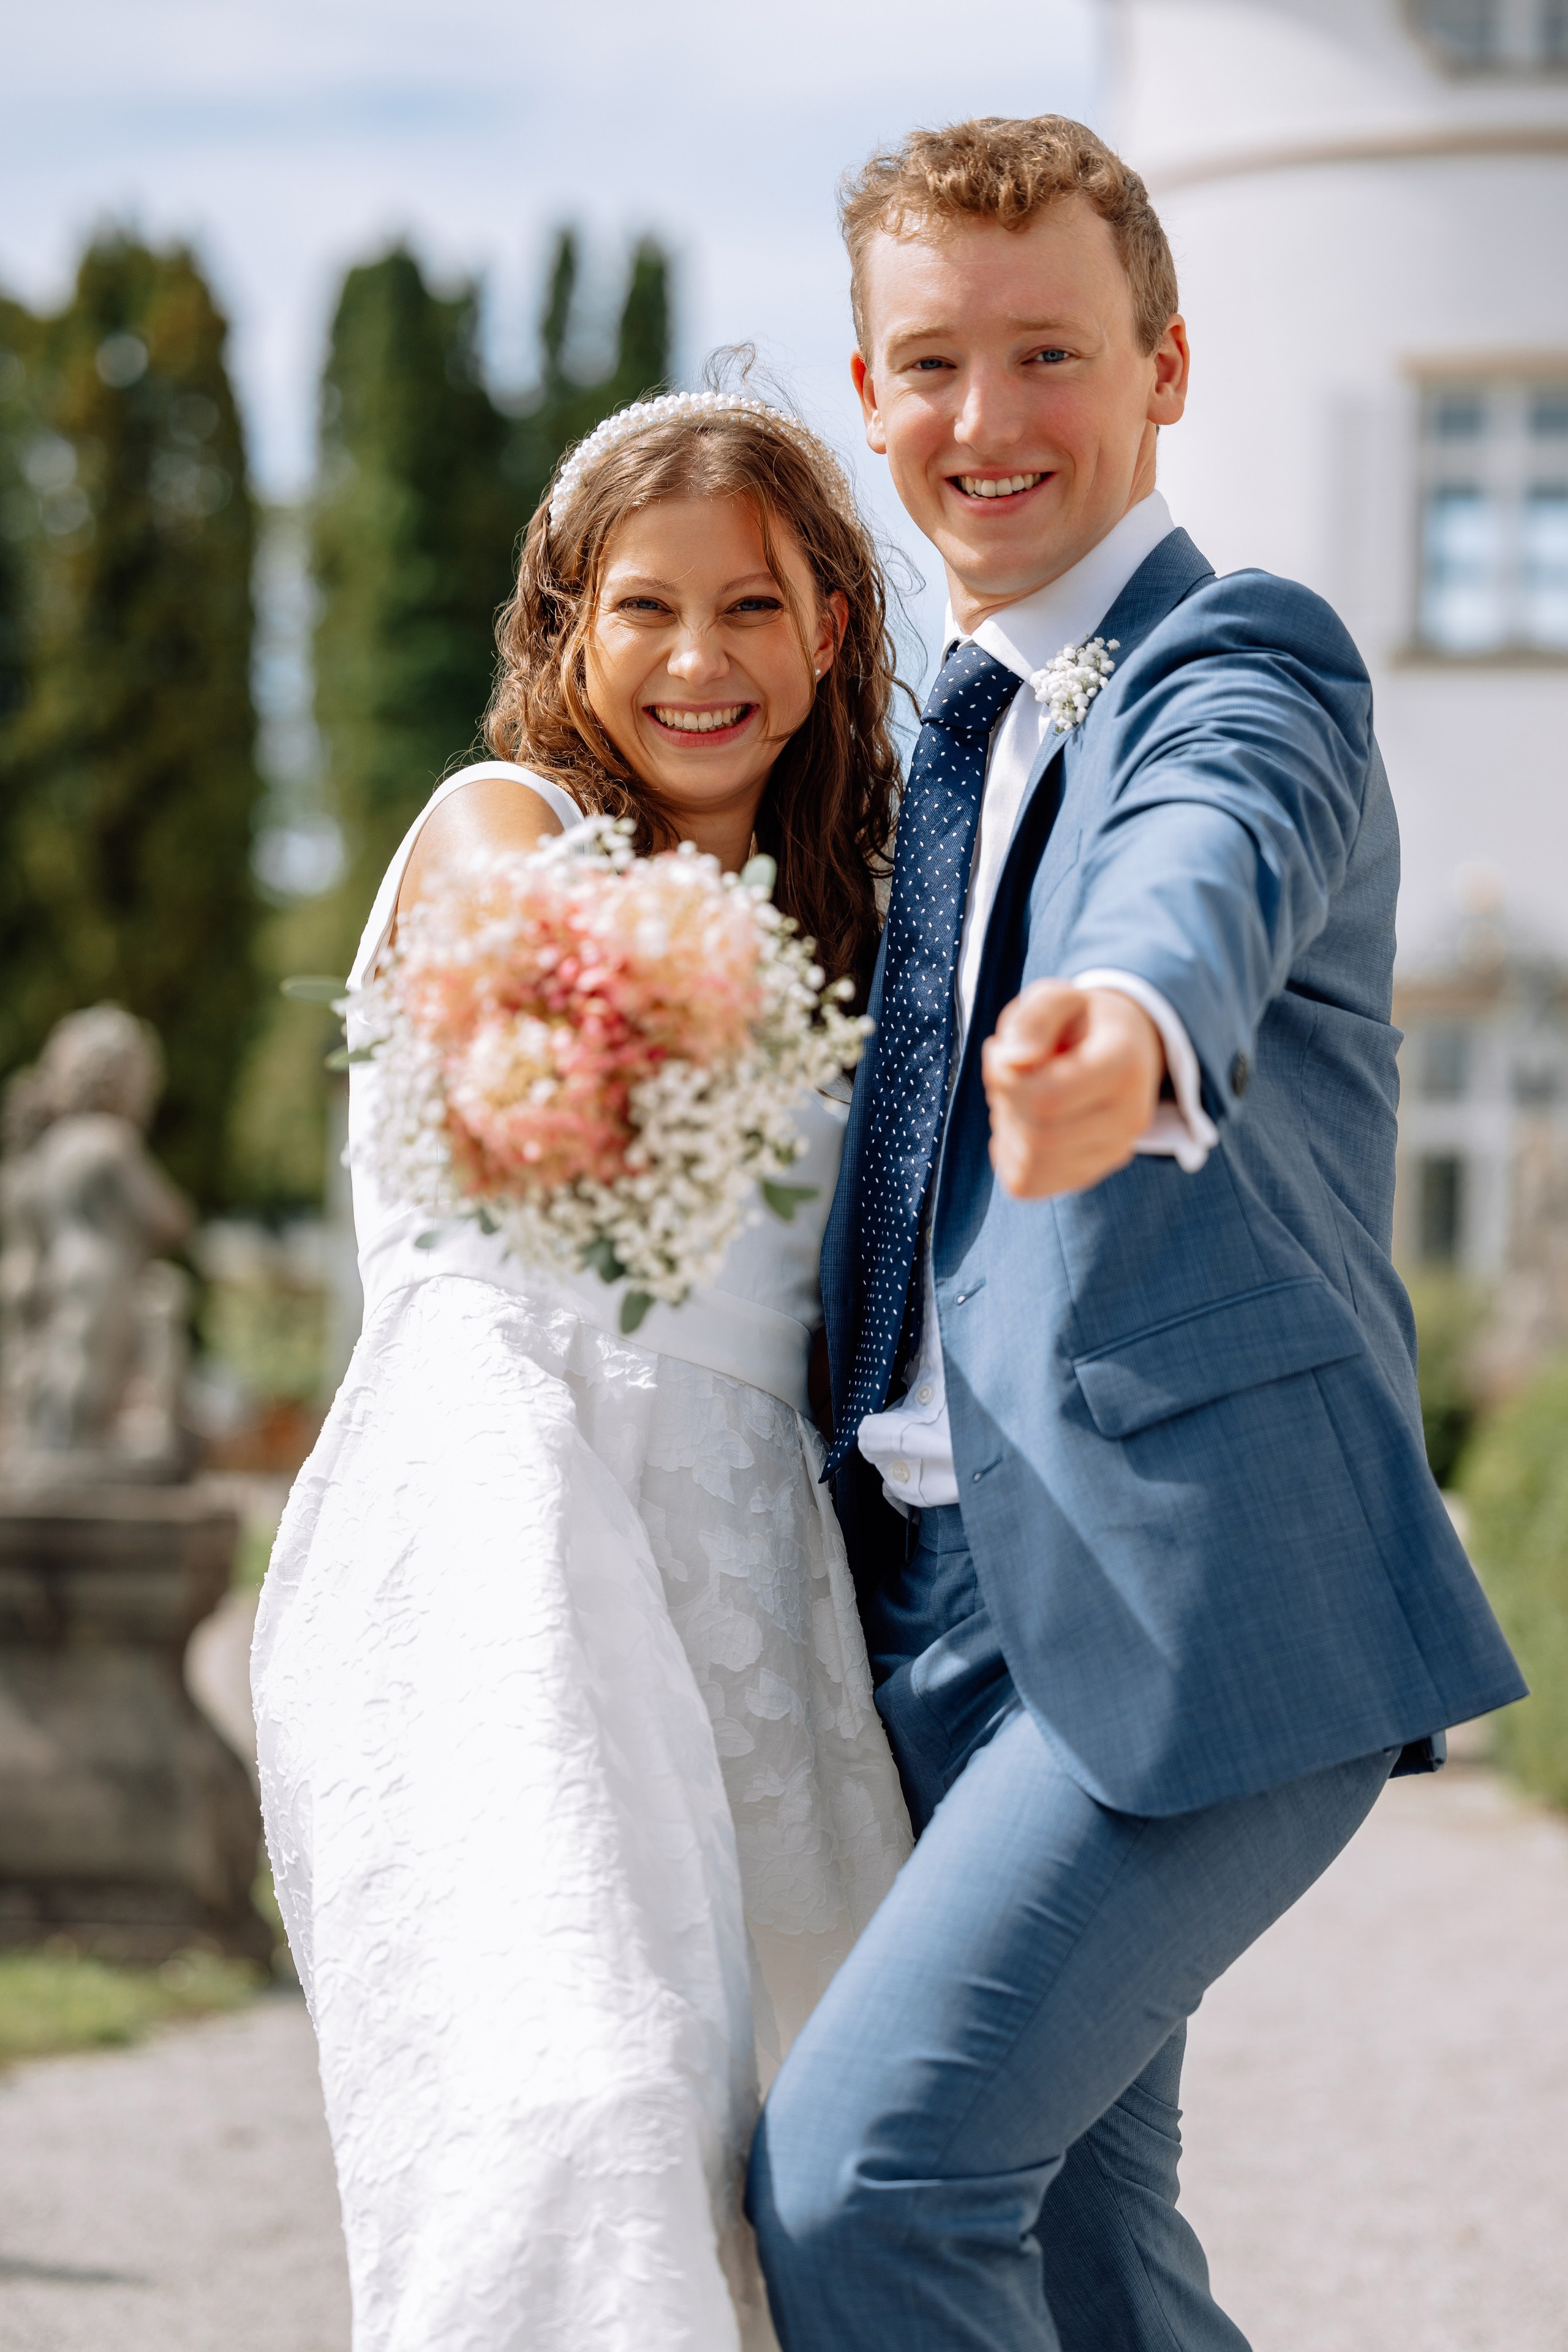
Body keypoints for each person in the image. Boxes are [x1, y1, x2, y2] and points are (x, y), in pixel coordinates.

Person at [748, 115, 1527, 2350]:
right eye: (928, 364)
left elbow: (1208, 849)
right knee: (1089, 2257)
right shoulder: (934, 740)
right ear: (872, 390)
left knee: (867, 2185)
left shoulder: (1240, 652)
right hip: (932, 1611)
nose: (985, 422)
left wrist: (1126, 1023)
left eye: (1048, 355)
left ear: (1166, 366)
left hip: (1183, 1592)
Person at [251, 391, 912, 2352]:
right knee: (579, 2102)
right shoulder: (500, 830)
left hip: (749, 1594)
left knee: (801, 2168)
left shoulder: (879, 924)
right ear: (565, 628)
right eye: (644, 608)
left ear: (831, 634)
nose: (700, 661)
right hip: (498, 1528)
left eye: (754, 607)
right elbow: (527, 1094)